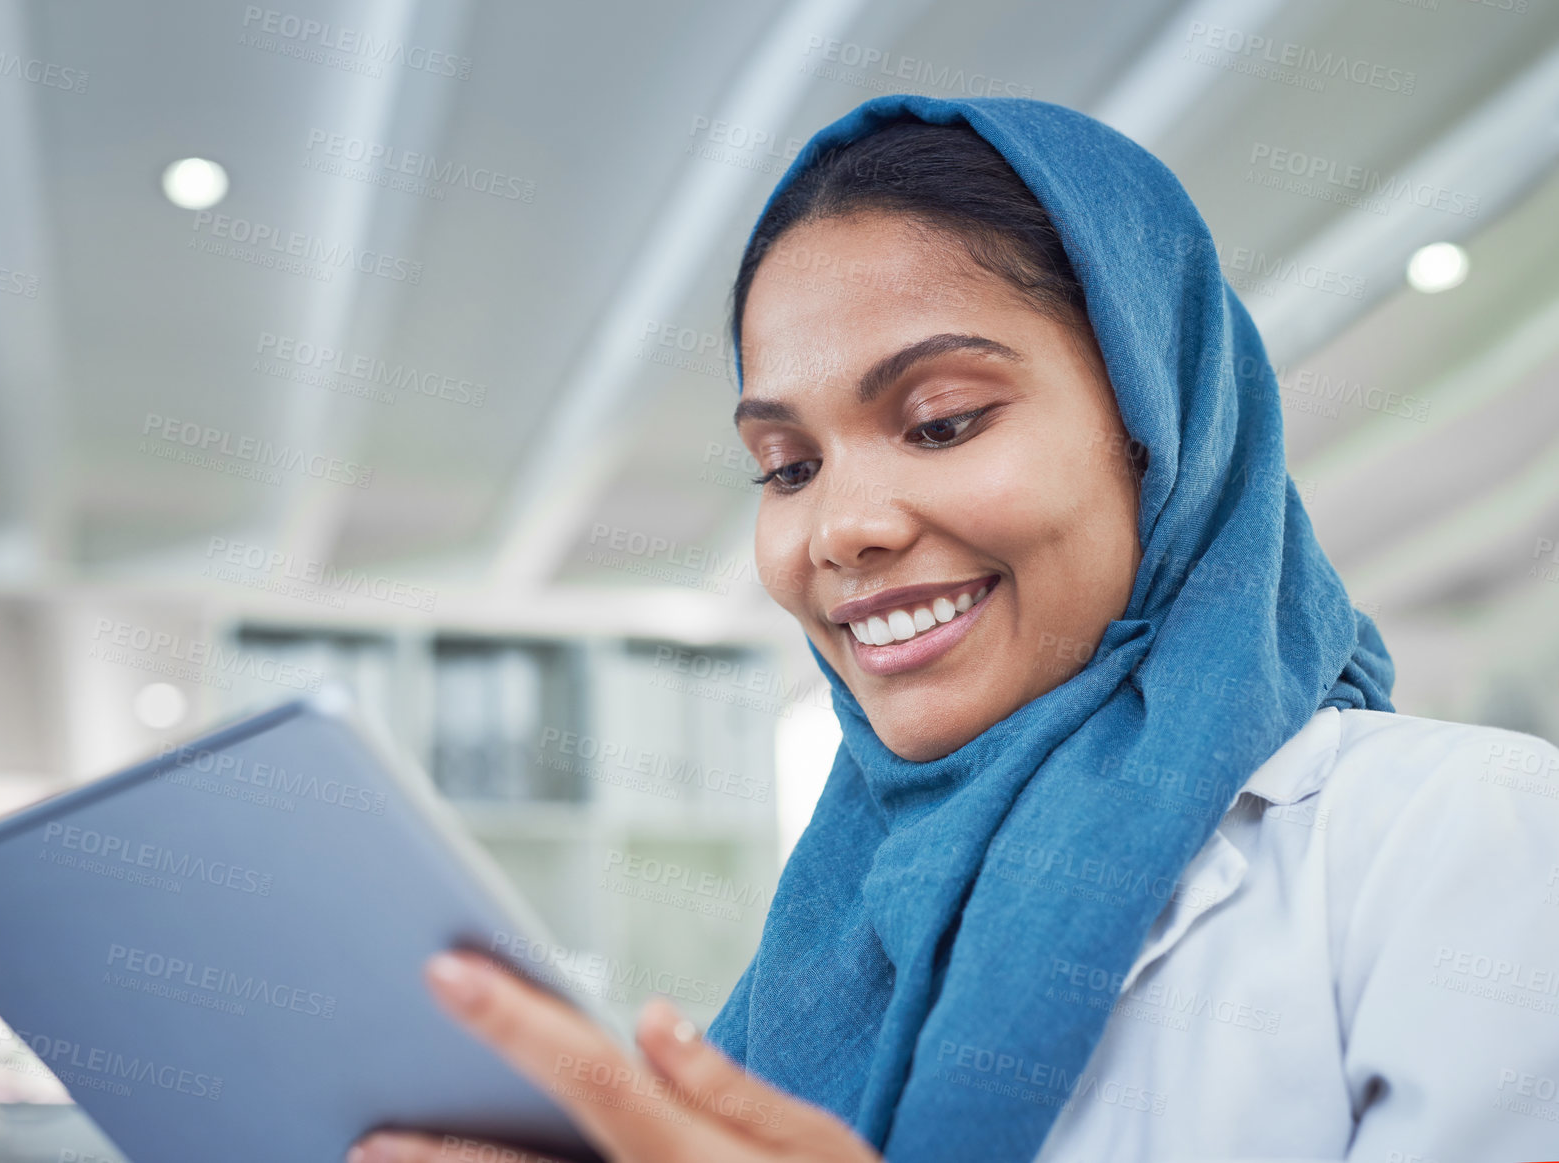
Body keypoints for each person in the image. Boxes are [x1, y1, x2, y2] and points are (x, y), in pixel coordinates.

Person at [351, 95, 1559, 1163]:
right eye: (786, 465)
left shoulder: (1463, 839)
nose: (839, 529)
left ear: (1156, 428)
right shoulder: (837, 942)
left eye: (939, 422)